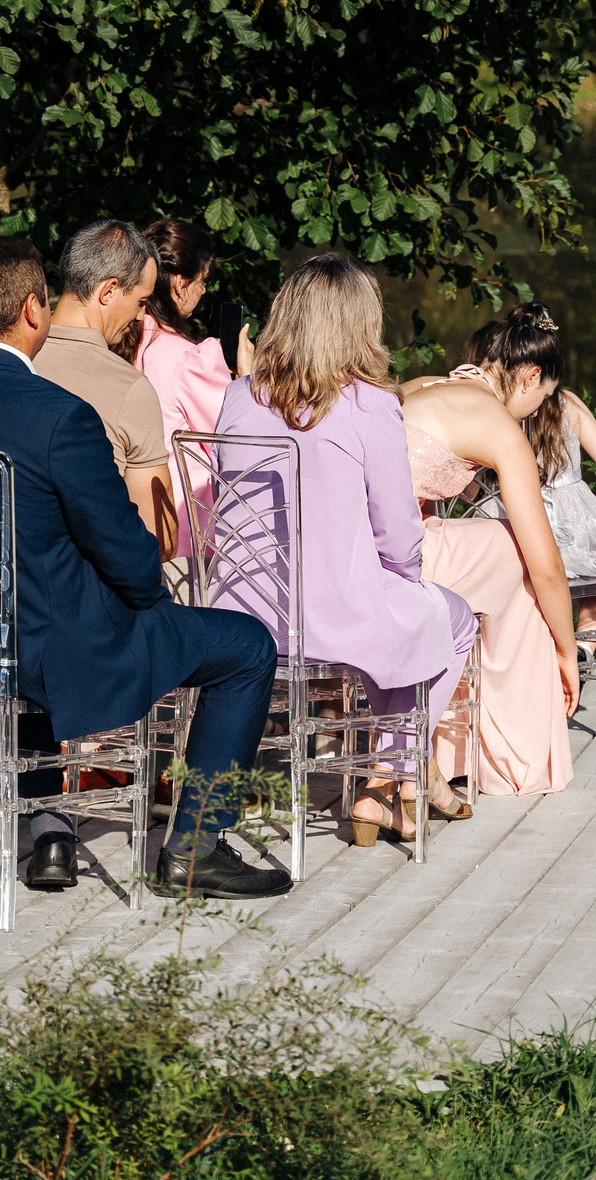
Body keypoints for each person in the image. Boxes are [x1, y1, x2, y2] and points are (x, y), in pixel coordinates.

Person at [0, 236, 290, 899]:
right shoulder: (59, 416)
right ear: (34, 309)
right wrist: (147, 604)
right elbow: (129, 554)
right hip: (51, 653)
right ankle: (196, 847)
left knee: (41, 609)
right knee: (245, 645)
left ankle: (50, 830)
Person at [215, 255, 479, 845]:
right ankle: (388, 776)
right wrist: (404, 576)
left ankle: (389, 791)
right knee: (449, 619)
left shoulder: (238, 397)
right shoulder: (368, 405)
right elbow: (398, 533)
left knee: (404, 615)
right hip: (331, 619)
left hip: (240, 614)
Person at [400, 341, 581, 798]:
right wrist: (567, 649)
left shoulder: (424, 386)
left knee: (486, 563)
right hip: (398, 560)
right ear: (530, 376)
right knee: (520, 556)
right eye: (540, 401)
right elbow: (550, 570)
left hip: (348, 553)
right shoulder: (497, 424)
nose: (534, 414)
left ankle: (451, 753)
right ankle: (513, 758)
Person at [465, 306, 596, 639]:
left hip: (507, 519)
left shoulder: (490, 410)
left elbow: (469, 489)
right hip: (569, 521)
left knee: (524, 586)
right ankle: (584, 645)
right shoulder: (566, 403)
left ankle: (540, 649)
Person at [32, 220, 171, 541]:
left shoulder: (9, 362)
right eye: (141, 301)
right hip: (82, 580)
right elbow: (158, 537)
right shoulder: (129, 387)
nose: (140, 317)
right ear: (108, 291)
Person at [132, 219, 247, 446]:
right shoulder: (189, 360)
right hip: (184, 482)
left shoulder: (120, 337)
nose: (204, 291)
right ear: (180, 282)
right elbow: (233, 443)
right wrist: (245, 380)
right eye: (203, 279)